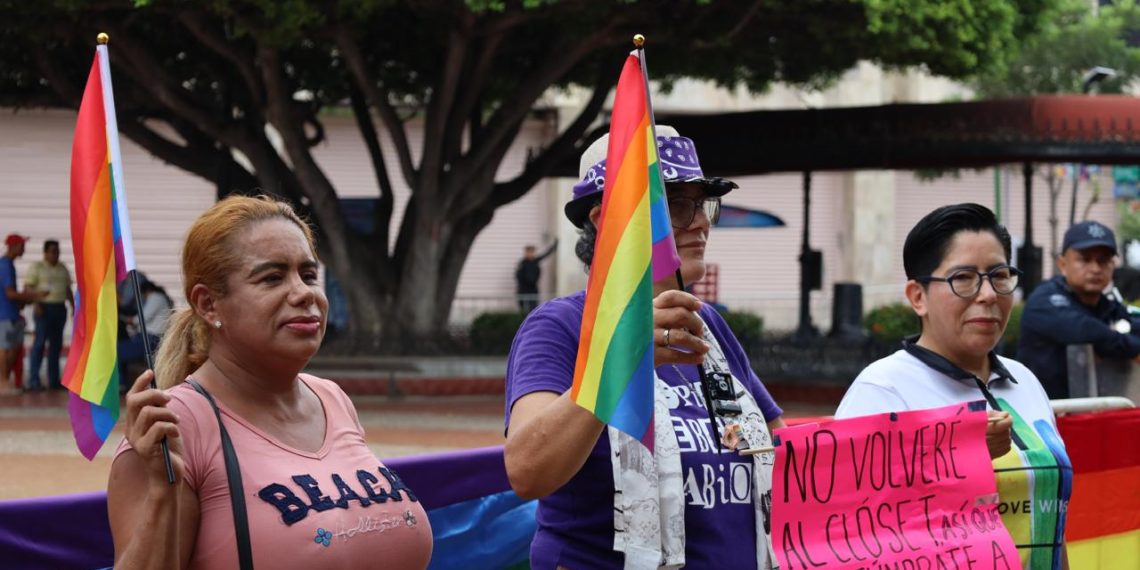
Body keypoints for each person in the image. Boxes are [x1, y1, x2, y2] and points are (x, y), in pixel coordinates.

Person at [504, 126, 786, 569]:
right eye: (675, 206)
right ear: (607, 220)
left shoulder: (706, 325)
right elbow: (527, 471)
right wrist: (620, 362)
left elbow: (762, 448)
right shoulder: (562, 327)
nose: (701, 222)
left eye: (703, 203)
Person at [107, 196, 432, 569]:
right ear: (209, 304)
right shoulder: (171, 426)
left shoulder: (332, 398)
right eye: (272, 278)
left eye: (309, 275)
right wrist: (164, 496)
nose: (304, 292)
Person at [835, 203, 1070, 570]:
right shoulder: (881, 391)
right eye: (963, 278)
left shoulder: (1025, 381)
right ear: (917, 296)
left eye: (999, 275)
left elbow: (1052, 521)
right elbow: (848, 532)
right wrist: (959, 455)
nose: (988, 293)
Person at [1019, 220, 1140, 399]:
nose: (1095, 268)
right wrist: (1129, 346)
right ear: (1062, 264)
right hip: (1045, 417)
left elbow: (1131, 324)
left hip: (1099, 415)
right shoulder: (1044, 300)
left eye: (1103, 260)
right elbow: (1084, 330)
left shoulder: (1106, 304)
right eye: (1085, 259)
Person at [24, 239, 74, 391]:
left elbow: (67, 289)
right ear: (45, 252)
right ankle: (34, 380)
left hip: (59, 308)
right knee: (39, 343)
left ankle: (53, 381)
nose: (55, 254)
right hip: (43, 308)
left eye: (57, 251)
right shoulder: (36, 267)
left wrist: (72, 305)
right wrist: (36, 303)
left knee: (56, 345)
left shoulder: (62, 268)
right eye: (52, 251)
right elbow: (28, 287)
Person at [1, 234, 47, 387]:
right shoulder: (6, 265)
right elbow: (10, 293)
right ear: (14, 247)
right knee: (5, 349)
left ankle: (5, 380)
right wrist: (35, 294)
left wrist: (25, 300)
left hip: (11, 313)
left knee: (12, 349)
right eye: (22, 245)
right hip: (5, 315)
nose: (24, 249)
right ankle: (3, 381)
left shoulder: (8, 264)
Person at [116, 277, 173, 382]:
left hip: (149, 338)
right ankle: (123, 382)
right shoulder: (161, 298)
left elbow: (143, 317)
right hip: (151, 337)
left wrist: (131, 320)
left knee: (117, 351)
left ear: (146, 291)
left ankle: (121, 382)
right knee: (121, 351)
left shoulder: (155, 297)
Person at [515, 241, 557, 313]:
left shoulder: (535, 261)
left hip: (533, 289)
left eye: (532, 252)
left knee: (533, 309)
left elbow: (546, 254)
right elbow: (518, 276)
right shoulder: (522, 263)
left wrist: (554, 246)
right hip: (523, 289)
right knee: (523, 311)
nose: (531, 254)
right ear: (526, 253)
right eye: (529, 252)